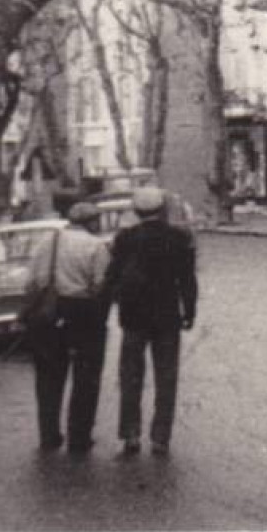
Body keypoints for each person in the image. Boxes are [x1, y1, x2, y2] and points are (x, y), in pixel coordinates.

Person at [105, 187, 198, 457]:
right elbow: (188, 280)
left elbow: (113, 276)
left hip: (133, 317)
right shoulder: (179, 237)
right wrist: (189, 310)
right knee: (166, 376)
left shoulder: (125, 239)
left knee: (131, 376)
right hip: (167, 316)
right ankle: (160, 438)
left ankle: (131, 434)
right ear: (161, 209)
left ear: (136, 211)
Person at [28, 201, 111, 454]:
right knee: (86, 377)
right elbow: (100, 284)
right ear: (92, 222)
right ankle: (79, 437)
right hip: (83, 311)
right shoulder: (97, 246)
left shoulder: (47, 242)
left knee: (48, 377)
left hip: (49, 313)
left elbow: (33, 280)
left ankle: (49, 434)